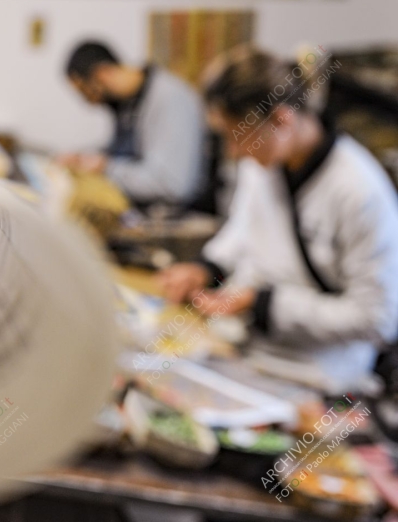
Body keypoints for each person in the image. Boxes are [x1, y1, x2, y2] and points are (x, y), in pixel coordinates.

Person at [159, 46, 398, 393]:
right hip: (251, 352)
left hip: (323, 375)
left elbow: (379, 319)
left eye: (236, 136)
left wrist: (264, 304)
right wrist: (205, 268)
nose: (234, 151)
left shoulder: (359, 190)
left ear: (282, 119)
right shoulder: (263, 164)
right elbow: (243, 230)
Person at [60, 41, 207, 209]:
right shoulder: (128, 104)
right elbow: (122, 153)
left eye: (86, 91)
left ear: (102, 74)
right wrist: (83, 158)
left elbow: (173, 185)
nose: (90, 103)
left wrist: (106, 169)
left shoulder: (170, 99)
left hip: (178, 219)